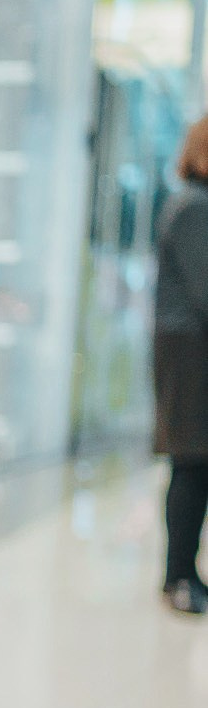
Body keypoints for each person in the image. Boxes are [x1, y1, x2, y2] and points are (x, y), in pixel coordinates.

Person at [153, 116, 208, 616]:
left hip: (193, 350)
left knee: (197, 463)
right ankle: (178, 577)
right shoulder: (194, 207)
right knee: (190, 461)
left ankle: (188, 573)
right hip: (189, 354)